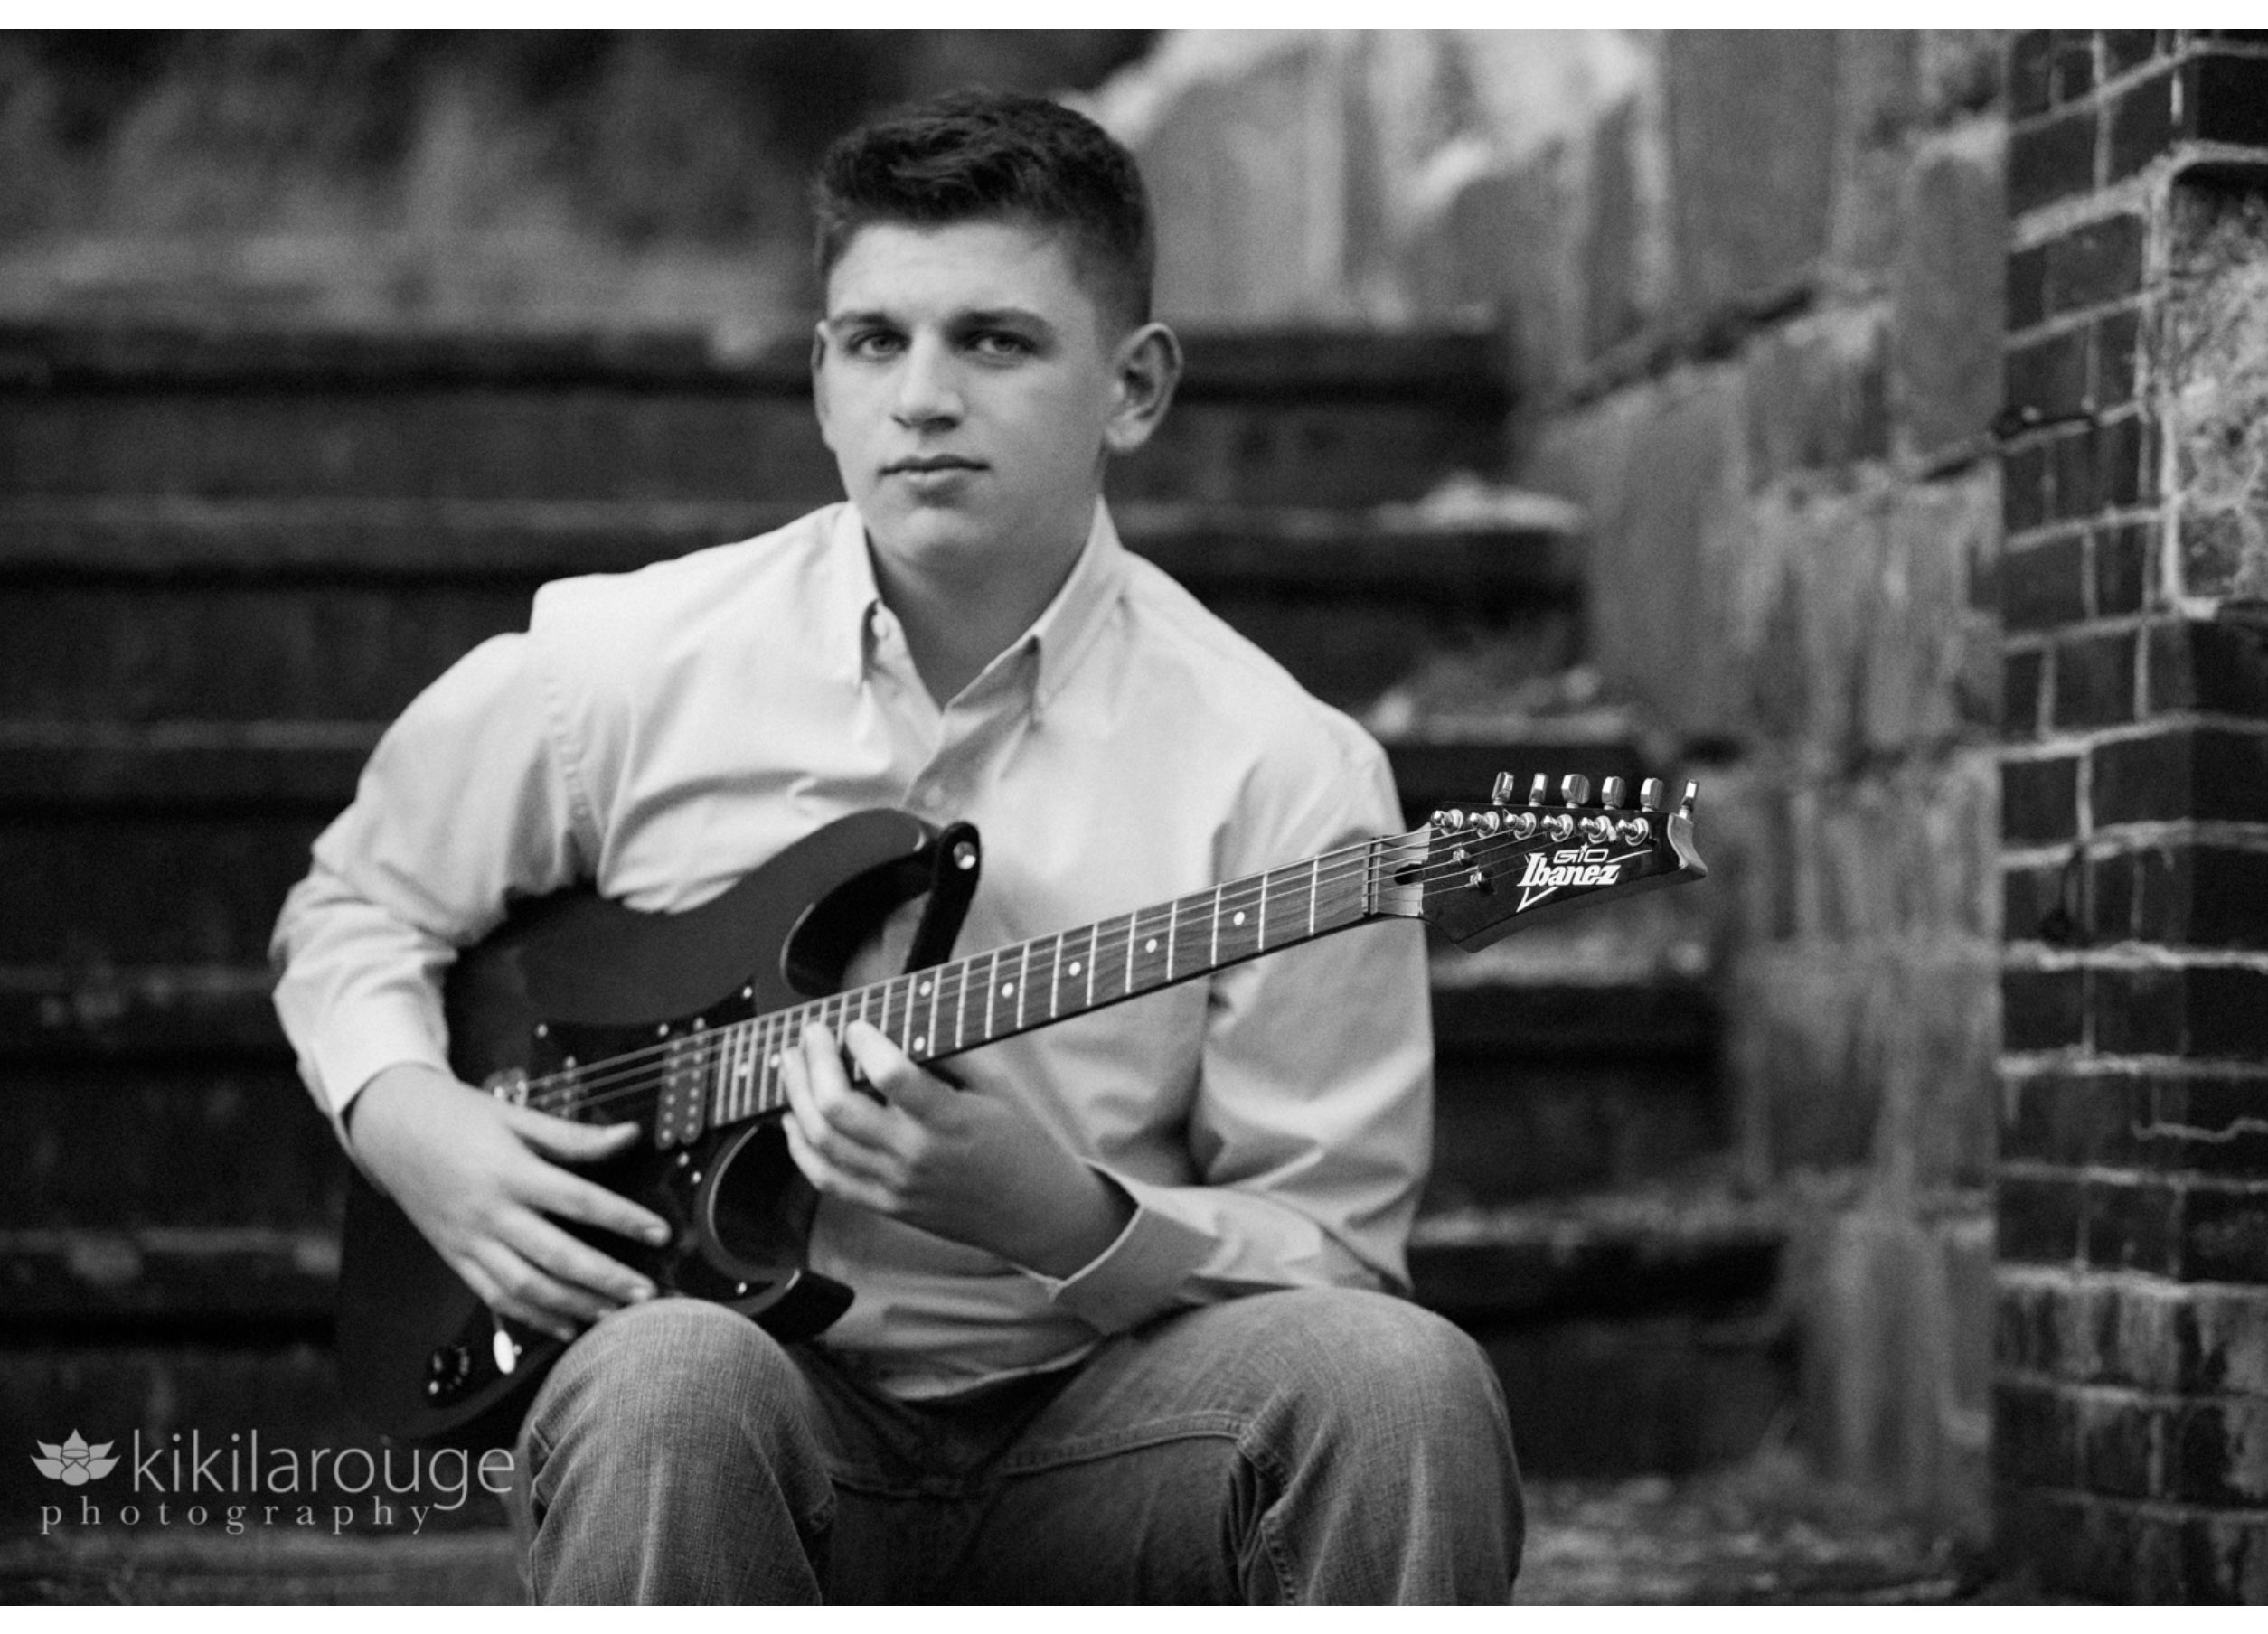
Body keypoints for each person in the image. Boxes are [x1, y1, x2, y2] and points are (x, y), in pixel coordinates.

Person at [270, 91, 1520, 1602]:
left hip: (1120, 1433)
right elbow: (359, 904)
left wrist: (1058, 1214)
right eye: (875, 340)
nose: (921, 396)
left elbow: (1330, 1251)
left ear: (1132, 386)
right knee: (664, 1373)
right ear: (819, 375)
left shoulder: (1287, 769)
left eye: (993, 340)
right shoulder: (618, 662)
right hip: (752, 1424)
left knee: (1404, 1381)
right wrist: (414, 1120)